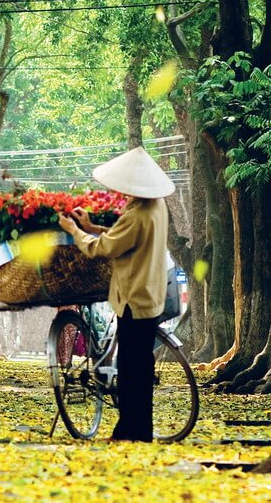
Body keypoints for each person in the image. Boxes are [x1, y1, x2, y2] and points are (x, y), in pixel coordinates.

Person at [57, 146, 174, 442]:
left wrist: (75, 231)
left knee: (131, 369)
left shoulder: (137, 213)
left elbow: (104, 248)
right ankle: (139, 430)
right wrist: (92, 225)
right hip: (152, 294)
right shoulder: (155, 206)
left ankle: (130, 432)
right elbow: (124, 236)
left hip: (134, 297)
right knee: (141, 367)